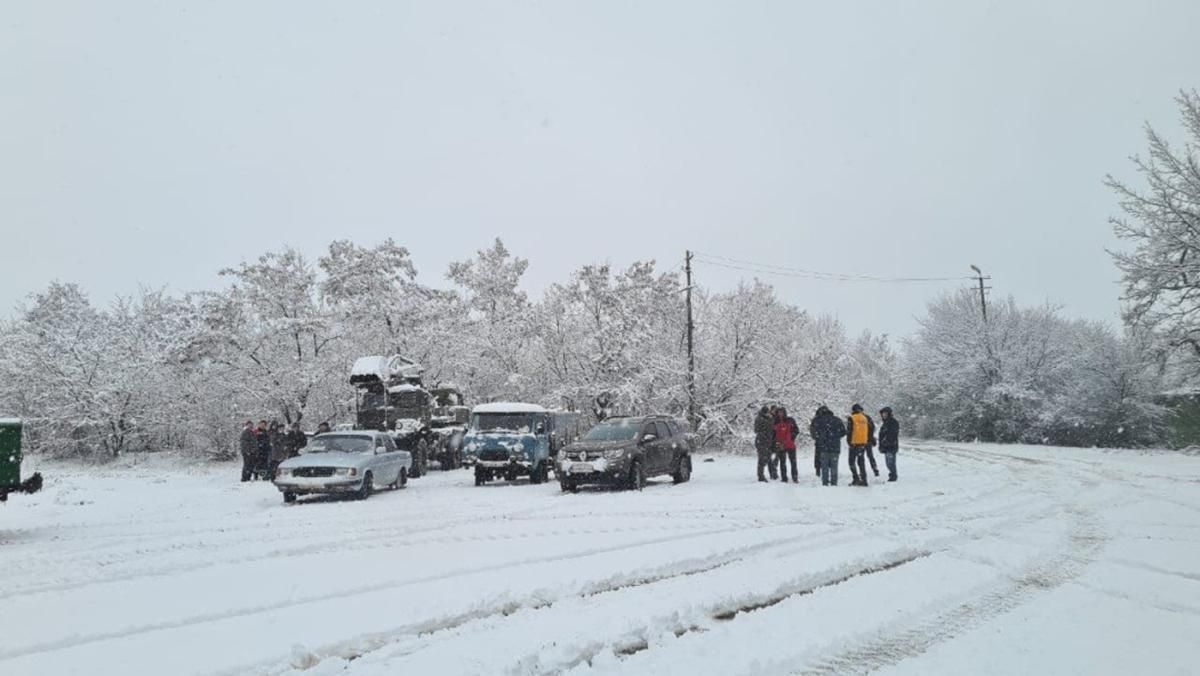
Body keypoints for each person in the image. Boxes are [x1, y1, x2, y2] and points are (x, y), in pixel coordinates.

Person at [810, 406, 846, 486]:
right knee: (834, 466)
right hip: (835, 446)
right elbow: (843, 432)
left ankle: (825, 482)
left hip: (823, 447)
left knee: (824, 466)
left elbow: (814, 433)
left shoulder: (818, 421)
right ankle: (834, 482)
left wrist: (820, 439)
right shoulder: (837, 420)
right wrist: (836, 437)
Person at [845, 404, 876, 486]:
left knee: (851, 462)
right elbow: (871, 429)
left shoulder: (852, 418)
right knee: (861, 462)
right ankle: (864, 479)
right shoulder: (865, 418)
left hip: (854, 443)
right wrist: (869, 439)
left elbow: (849, 431)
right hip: (863, 443)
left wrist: (849, 442)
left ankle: (856, 478)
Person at [773, 407, 800, 483]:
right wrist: (775, 441)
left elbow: (796, 430)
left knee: (793, 462)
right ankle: (784, 478)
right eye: (779, 412)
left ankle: (795, 477)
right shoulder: (775, 422)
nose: (780, 414)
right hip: (780, 444)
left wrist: (792, 438)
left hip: (790, 444)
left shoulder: (790, 420)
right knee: (782, 462)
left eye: (781, 412)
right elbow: (772, 433)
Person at [754, 406, 778, 482]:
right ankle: (760, 476)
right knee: (762, 459)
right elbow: (757, 430)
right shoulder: (760, 419)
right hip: (762, 441)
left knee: (767, 458)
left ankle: (770, 473)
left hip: (768, 441)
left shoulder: (768, 418)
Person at [878, 407, 900, 481]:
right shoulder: (885, 423)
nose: (884, 415)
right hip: (887, 446)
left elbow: (892, 434)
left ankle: (893, 476)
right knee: (888, 463)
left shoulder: (893, 422)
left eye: (885, 413)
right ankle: (892, 474)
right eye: (883, 414)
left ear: (889, 414)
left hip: (891, 446)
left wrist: (886, 441)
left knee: (890, 462)